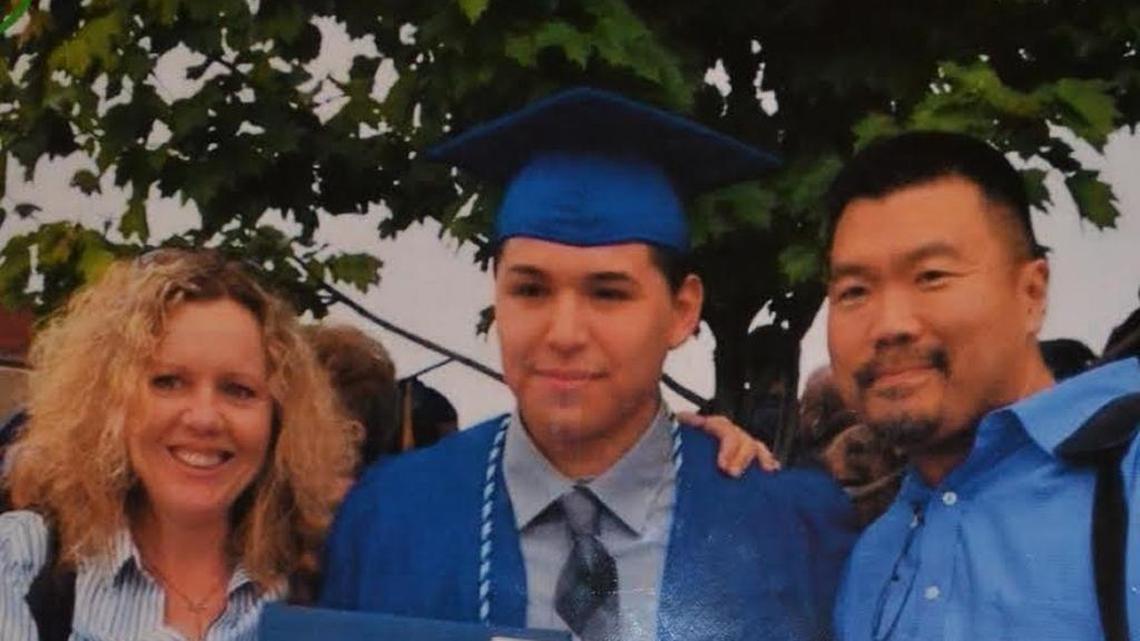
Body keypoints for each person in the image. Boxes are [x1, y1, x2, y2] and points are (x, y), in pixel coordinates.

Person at [319, 87, 858, 641]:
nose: (565, 334)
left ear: (682, 310)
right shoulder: (388, 518)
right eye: (530, 289)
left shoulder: (793, 529)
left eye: (608, 294)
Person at [823, 131, 1140, 640]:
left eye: (931, 276)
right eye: (854, 291)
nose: (889, 325)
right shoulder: (873, 559)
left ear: (1031, 293)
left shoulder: (1127, 474)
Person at [0, 250, 358, 641]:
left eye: (238, 390)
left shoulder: (318, 590)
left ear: (280, 420)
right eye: (168, 382)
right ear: (108, 402)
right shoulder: (20, 561)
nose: (204, 418)